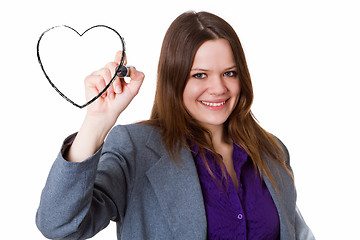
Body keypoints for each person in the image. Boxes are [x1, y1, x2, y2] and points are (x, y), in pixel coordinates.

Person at [36, 11, 315, 240]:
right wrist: (96, 122)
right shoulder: (136, 149)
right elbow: (60, 225)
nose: (218, 88)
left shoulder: (272, 151)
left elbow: (297, 232)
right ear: (174, 79)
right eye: (200, 75)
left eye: (230, 73)